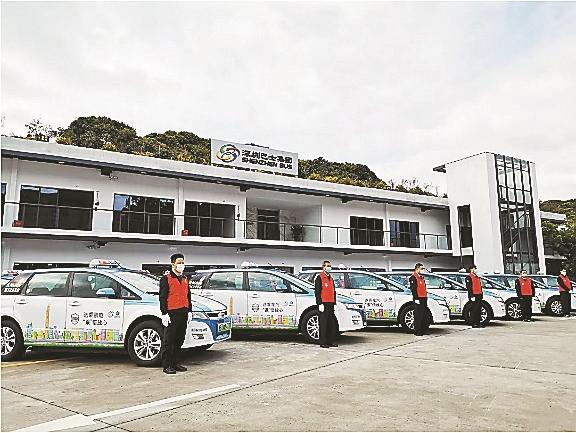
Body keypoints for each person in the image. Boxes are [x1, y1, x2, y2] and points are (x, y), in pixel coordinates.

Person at [159, 253, 192, 374]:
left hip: (183, 312)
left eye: (183, 263)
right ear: (173, 264)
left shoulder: (184, 279)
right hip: (172, 313)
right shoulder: (166, 279)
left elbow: (188, 296)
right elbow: (162, 297)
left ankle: (175, 363)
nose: (181, 265)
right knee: (169, 340)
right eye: (179, 263)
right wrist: (164, 313)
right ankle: (166, 365)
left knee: (180, 339)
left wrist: (189, 311)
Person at [314, 260, 338, 348]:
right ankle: (323, 342)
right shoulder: (319, 278)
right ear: (323, 267)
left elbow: (333, 291)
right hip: (323, 303)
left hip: (331, 303)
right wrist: (319, 303)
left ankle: (330, 341)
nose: (329, 268)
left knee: (331, 324)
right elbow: (317, 292)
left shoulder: (331, 278)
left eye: (330, 266)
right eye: (327, 266)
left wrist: (334, 302)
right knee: (323, 323)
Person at [409, 263, 428, 336]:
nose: (423, 270)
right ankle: (417, 331)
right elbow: (413, 289)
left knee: (424, 314)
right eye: (422, 269)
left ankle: (423, 330)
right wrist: (416, 298)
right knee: (418, 315)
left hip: (424, 297)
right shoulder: (413, 277)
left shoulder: (421, 277)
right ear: (417, 268)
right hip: (418, 298)